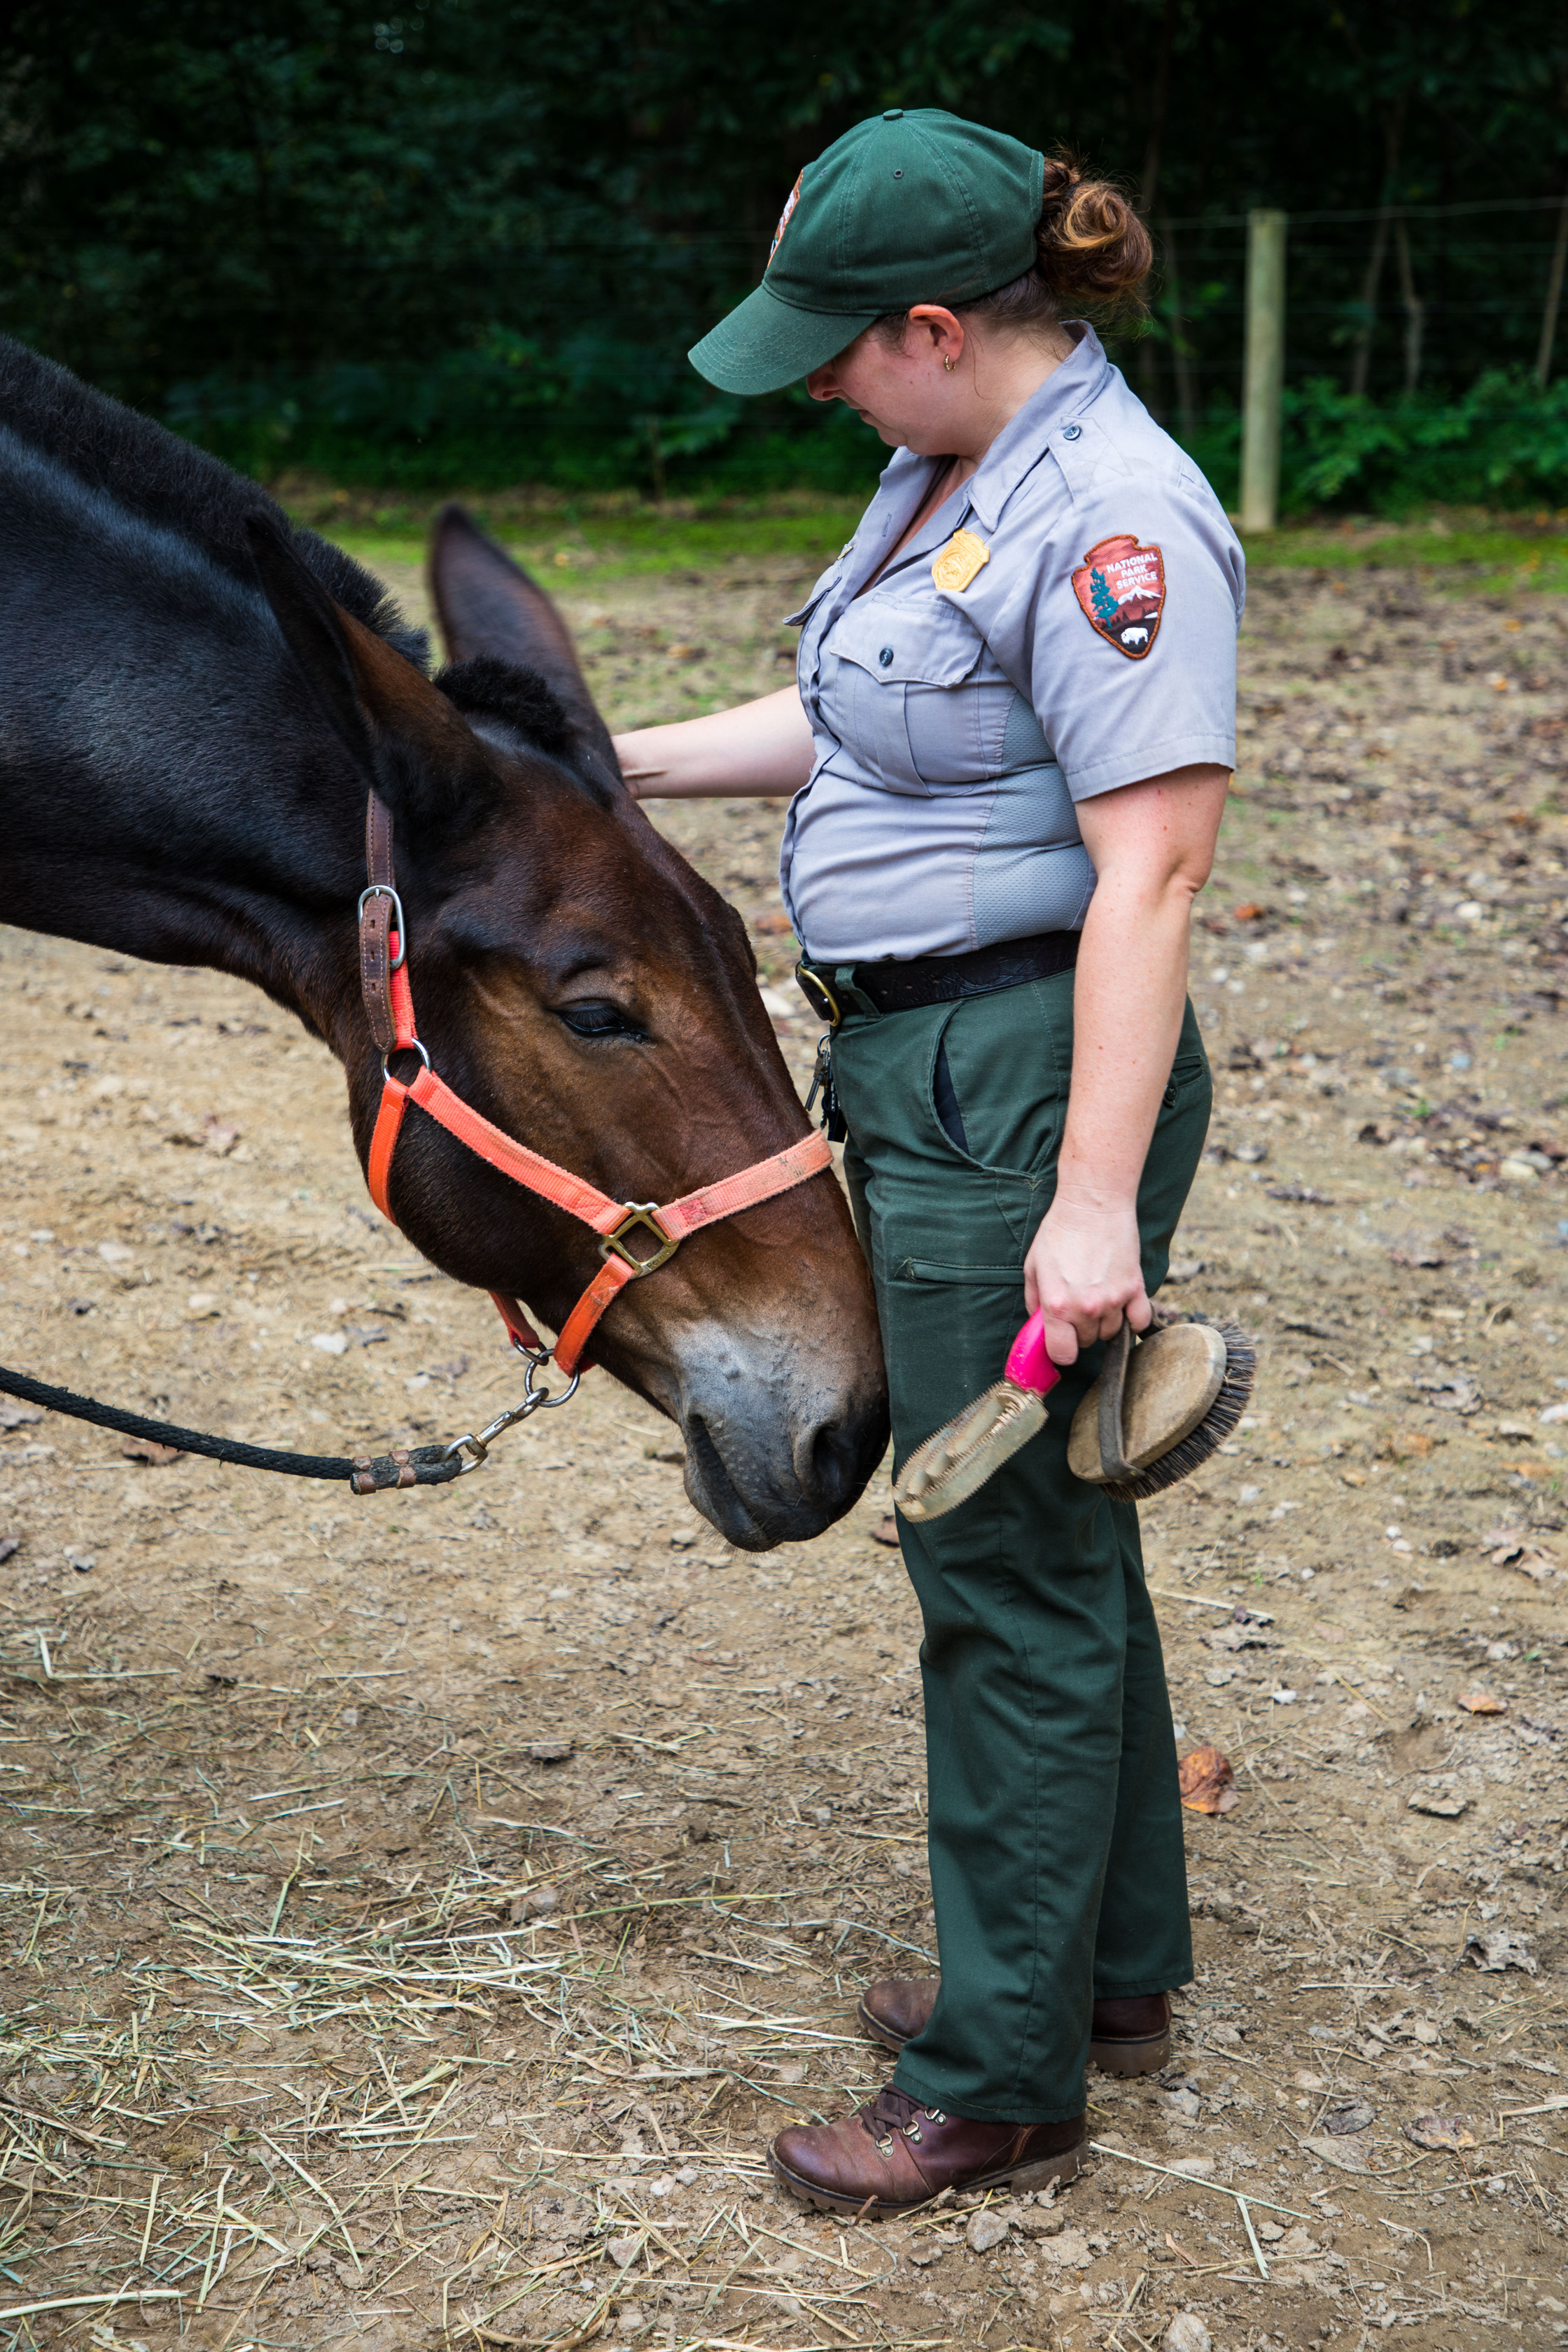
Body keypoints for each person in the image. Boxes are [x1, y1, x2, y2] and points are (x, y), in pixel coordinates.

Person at [612, 106, 1242, 2217]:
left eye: (836, 347)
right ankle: (1110, 1978)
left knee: (995, 1567)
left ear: (943, 323)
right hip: (936, 1067)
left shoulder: (1120, 519)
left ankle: (1001, 2081)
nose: (812, 384)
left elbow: (1150, 881)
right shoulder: (944, 472)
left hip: (1020, 1081)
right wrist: (612, 765)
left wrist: (1086, 1210)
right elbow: (861, 717)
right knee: (1058, 1532)